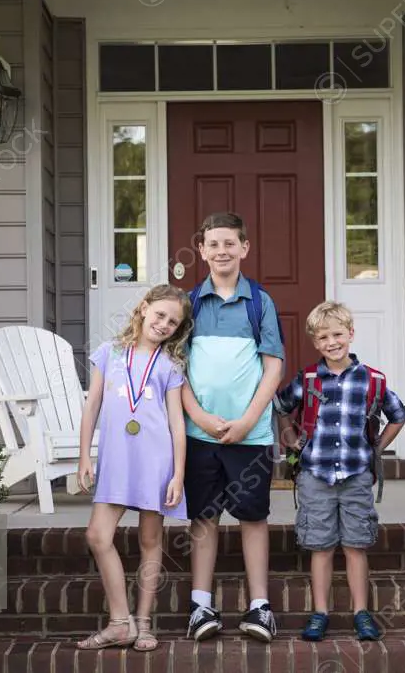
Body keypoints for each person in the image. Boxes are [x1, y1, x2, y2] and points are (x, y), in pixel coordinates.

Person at [273, 300, 405, 642]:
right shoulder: (307, 379)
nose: (331, 342)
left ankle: (361, 612)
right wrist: (289, 437)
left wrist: (376, 449)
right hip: (315, 476)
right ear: (315, 343)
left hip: (356, 477)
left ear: (350, 333)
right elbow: (281, 406)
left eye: (337, 334)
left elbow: (399, 414)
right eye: (323, 337)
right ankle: (320, 612)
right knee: (319, 546)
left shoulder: (372, 381)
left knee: (355, 545)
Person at [180, 211, 285, 642]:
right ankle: (200, 605)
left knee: (252, 516)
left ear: (244, 248)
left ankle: (260, 607)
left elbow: (274, 366)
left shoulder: (259, 301)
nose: (222, 251)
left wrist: (247, 420)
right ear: (201, 251)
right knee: (203, 518)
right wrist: (200, 417)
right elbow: (174, 368)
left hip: (250, 434)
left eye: (230, 243)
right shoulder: (188, 304)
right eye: (213, 244)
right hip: (200, 434)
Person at [74, 284, 193, 651]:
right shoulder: (109, 353)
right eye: (160, 315)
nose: (164, 324)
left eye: (173, 322)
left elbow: (176, 424)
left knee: (150, 541)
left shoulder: (170, 366)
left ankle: (143, 623)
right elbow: (92, 405)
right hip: (116, 460)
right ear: (143, 309)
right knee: (98, 535)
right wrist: (84, 456)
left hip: (156, 462)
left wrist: (178, 474)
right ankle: (119, 622)